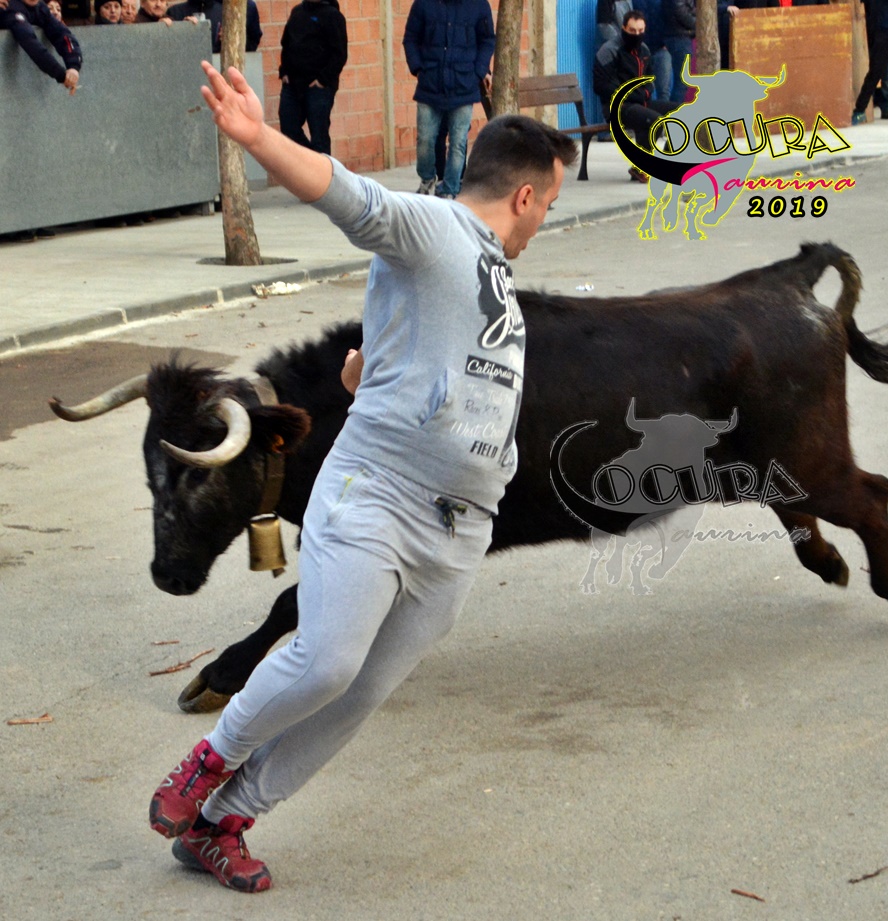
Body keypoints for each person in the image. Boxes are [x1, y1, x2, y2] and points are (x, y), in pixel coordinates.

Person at [148, 58, 578, 895]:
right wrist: (258, 137)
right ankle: (208, 761)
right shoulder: (437, 226)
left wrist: (368, 373)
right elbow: (352, 196)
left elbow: (426, 345)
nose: (543, 223)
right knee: (327, 662)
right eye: (550, 206)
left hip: (459, 532)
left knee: (358, 693)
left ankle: (222, 821)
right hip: (382, 495)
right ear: (526, 195)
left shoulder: (487, 270)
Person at [402, 0, 495, 199]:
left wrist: (478, 72)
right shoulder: (423, 4)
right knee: (425, 139)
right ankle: (427, 180)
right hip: (430, 85)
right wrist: (418, 68)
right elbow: (410, 38)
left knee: (458, 143)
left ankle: (451, 188)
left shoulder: (479, 5)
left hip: (464, 86)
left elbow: (487, 40)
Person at [593, 8, 675, 180]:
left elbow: (650, 79)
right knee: (654, 120)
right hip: (616, 106)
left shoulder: (644, 50)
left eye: (640, 31)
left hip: (640, 101)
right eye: (632, 31)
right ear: (623, 28)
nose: (636, 35)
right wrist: (632, 94)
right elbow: (601, 85)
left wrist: (646, 92)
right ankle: (641, 168)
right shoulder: (609, 50)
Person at [278, 0, 347, 155]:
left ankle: (321, 168)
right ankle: (311, 163)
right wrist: (284, 72)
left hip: (318, 88)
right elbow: (286, 44)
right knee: (289, 129)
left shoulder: (333, 16)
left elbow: (340, 54)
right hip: (292, 85)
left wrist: (323, 80)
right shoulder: (297, 12)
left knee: (319, 138)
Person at [0, 0, 81, 95]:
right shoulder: (9, 7)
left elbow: (62, 34)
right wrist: (61, 75)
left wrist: (73, 65)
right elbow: (31, 43)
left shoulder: (41, 8)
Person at [165, 0, 261, 53]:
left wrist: (233, 40)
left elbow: (252, 44)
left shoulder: (225, 11)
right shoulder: (175, 12)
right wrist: (181, 29)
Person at [661, 0, 695, 102]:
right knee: (681, 82)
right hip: (679, 37)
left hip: (679, 36)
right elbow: (682, 14)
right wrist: (701, 23)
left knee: (679, 82)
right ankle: (674, 109)